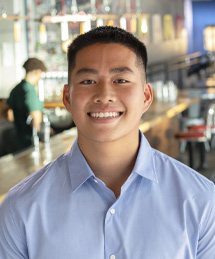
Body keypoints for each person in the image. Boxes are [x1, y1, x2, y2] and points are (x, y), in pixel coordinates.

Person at [0, 26, 214, 258]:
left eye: (121, 79)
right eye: (88, 81)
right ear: (67, 98)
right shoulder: (20, 207)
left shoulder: (201, 201)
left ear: (146, 97)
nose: (104, 94)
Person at [5, 57, 47, 151]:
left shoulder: (16, 89)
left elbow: (9, 115)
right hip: (31, 143)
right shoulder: (30, 91)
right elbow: (35, 118)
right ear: (38, 72)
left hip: (19, 142)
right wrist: (40, 139)